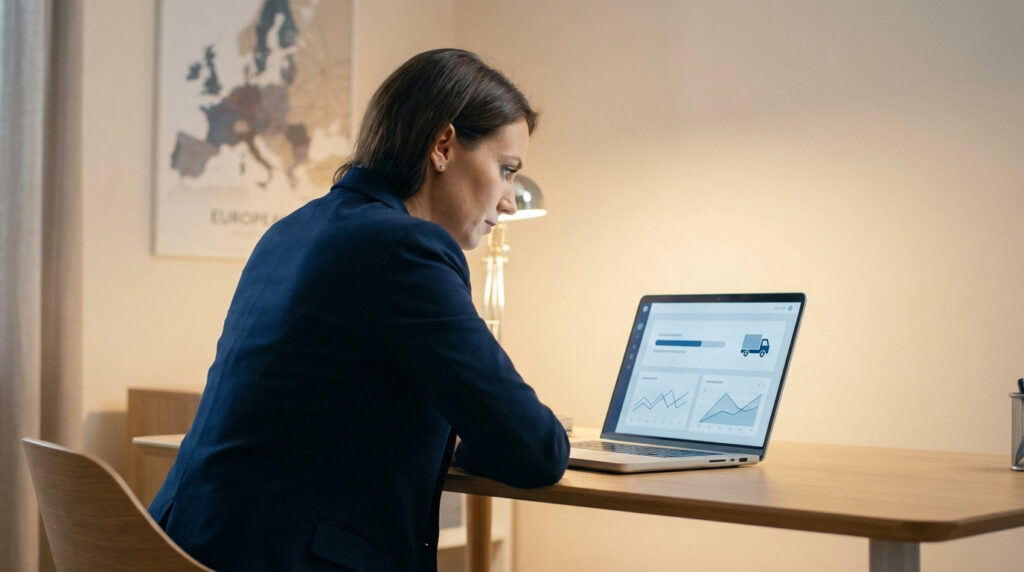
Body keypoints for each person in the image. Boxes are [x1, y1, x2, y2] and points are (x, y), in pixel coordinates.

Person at [148, 48, 569, 571]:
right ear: (443, 145)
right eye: (506, 170)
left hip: (182, 545)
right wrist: (481, 435)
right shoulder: (407, 248)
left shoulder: (295, 229)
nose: (509, 200)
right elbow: (535, 449)